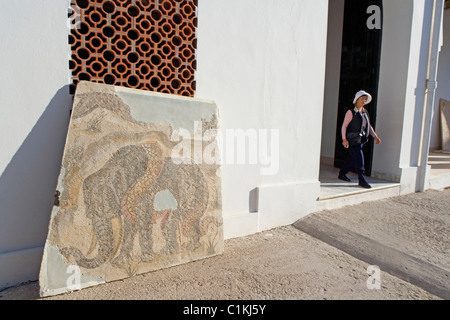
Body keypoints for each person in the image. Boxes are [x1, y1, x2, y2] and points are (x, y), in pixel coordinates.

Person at [338, 90, 381, 189]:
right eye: (362, 99)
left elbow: (368, 127)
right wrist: (344, 139)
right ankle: (361, 179)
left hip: (360, 139)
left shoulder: (364, 112)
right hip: (353, 140)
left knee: (352, 158)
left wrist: (375, 136)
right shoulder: (351, 111)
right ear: (357, 99)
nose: (364, 101)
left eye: (365, 99)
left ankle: (342, 173)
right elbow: (344, 126)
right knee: (359, 158)